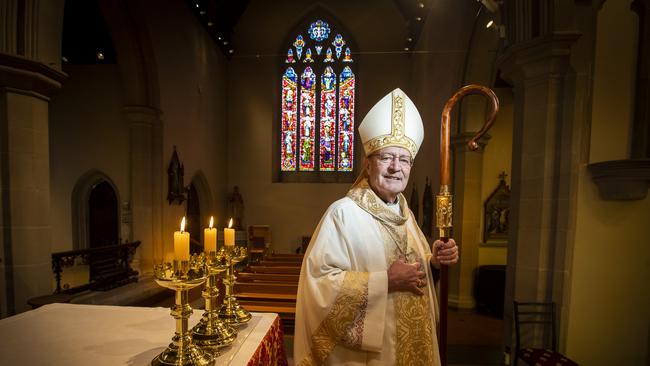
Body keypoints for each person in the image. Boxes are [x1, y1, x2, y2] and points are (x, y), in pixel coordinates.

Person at [294, 88, 459, 366]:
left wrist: (434, 264)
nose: (396, 167)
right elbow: (318, 285)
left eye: (403, 159)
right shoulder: (343, 214)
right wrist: (385, 281)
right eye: (386, 157)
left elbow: (418, 280)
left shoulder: (407, 217)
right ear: (368, 163)